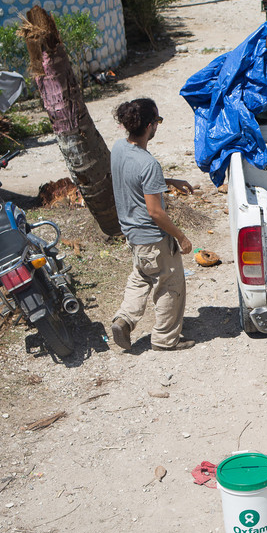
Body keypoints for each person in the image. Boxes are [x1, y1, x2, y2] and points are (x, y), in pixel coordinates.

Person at [110, 98, 195, 352]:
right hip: (154, 239)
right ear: (149, 126)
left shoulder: (119, 148)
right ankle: (165, 339)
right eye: (157, 120)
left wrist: (168, 181)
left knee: (141, 276)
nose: (158, 125)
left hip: (133, 237)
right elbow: (155, 212)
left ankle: (124, 320)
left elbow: (134, 179)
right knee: (170, 284)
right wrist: (181, 237)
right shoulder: (148, 164)